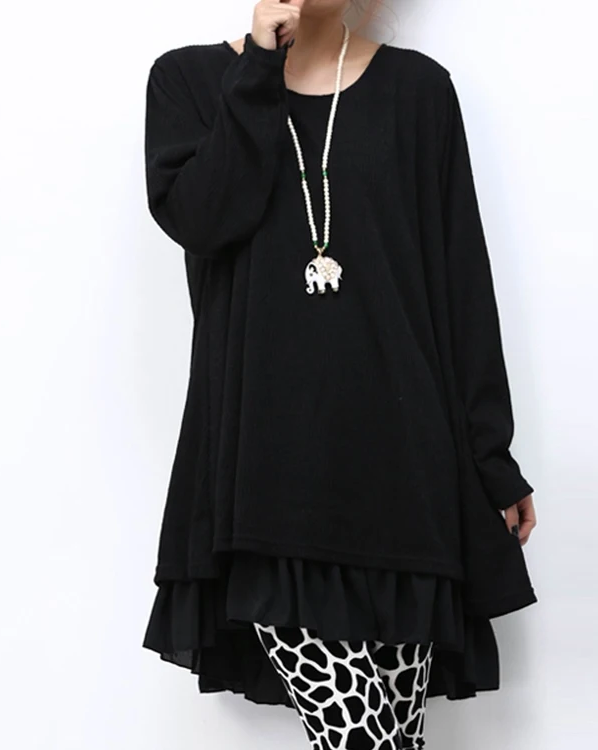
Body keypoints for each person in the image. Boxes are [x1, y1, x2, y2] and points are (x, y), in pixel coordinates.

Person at [142, 1, 538, 748]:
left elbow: (460, 285)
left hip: (405, 478)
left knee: (394, 739)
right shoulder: (190, 81)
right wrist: (260, 67)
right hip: (265, 481)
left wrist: (491, 459)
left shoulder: (419, 92)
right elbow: (201, 218)